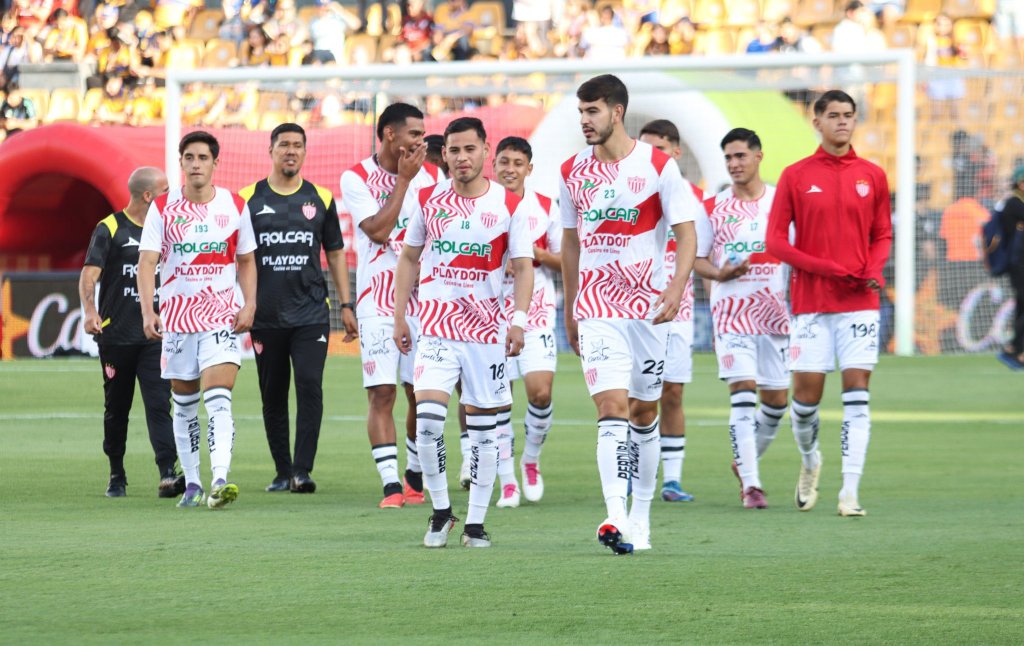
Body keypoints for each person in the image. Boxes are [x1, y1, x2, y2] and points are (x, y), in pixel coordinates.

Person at [560, 74, 699, 554]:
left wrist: (678, 286)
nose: (585, 121)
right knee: (610, 407)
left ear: (616, 111)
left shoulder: (658, 166)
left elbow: (686, 233)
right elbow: (571, 240)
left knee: (643, 412)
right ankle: (614, 515)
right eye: (581, 112)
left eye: (592, 111)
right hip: (597, 306)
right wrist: (570, 306)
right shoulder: (570, 171)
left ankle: (641, 516)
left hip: (648, 310)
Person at [392, 116, 534, 548]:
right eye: (453, 150)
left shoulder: (509, 205)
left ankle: (475, 523)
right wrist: (400, 315)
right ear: (445, 154)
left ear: (484, 150)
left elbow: (524, 266)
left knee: (485, 431)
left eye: (469, 149)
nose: (461, 158)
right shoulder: (429, 200)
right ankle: (440, 512)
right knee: (429, 423)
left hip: (487, 334)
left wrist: (519, 320)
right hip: (435, 330)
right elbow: (409, 259)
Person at [766, 90, 892, 517]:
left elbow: (882, 233)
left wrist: (874, 267)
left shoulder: (872, 175)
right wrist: (822, 266)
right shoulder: (795, 176)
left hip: (859, 302)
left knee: (857, 393)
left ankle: (849, 492)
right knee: (804, 404)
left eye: (848, 115)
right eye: (834, 115)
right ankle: (810, 460)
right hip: (812, 303)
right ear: (816, 121)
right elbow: (775, 241)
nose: (842, 122)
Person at [137, 131, 258, 510]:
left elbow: (247, 259)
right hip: (177, 320)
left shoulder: (235, 205)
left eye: (203, 157)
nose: (195, 164)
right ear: (181, 162)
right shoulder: (162, 208)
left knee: (219, 399)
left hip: (221, 316)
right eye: (189, 157)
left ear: (215, 163)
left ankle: (220, 478)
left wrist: (249, 303)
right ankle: (191, 483)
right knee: (185, 404)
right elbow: (147, 262)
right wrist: (147, 310)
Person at [241, 123, 358, 494]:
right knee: (272, 393)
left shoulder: (321, 198)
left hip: (311, 314)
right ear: (271, 150)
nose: (291, 151)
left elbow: (335, 253)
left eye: (297, 145)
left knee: (310, 386)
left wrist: (346, 303)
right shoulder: (247, 198)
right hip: (266, 315)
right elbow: (238, 258)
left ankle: (302, 470)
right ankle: (281, 470)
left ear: (305, 152)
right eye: (284, 145)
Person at [340, 102, 443, 508]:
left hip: (424, 301)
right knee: (382, 392)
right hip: (377, 300)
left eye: (423, 133)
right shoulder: (357, 177)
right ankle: (390, 485)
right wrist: (403, 181)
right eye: (415, 133)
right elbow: (379, 232)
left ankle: (415, 475)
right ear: (389, 135)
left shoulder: (434, 177)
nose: (422, 140)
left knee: (419, 392)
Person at [693, 128, 789, 509]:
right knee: (743, 393)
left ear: (758, 157)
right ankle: (751, 485)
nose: (734, 164)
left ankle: (744, 461)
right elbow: (698, 259)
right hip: (732, 313)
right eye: (728, 158)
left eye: (740, 157)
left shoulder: (783, 203)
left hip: (776, 315)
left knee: (777, 403)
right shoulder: (713, 208)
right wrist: (719, 275)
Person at [80, 166, 183, 499]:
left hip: (153, 336)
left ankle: (168, 473)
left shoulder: (169, 229)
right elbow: (88, 275)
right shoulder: (110, 228)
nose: (172, 195)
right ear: (148, 196)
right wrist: (91, 311)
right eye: (166, 190)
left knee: (158, 403)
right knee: (117, 408)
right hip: (116, 337)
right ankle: (116, 473)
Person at [489, 136, 561, 507]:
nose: (510, 169)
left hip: (536, 313)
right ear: (494, 164)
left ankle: (530, 460)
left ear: (529, 168)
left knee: (540, 392)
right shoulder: (480, 206)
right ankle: (507, 482)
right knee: (500, 399)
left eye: (518, 163)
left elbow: (568, 262)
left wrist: (532, 254)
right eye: (504, 162)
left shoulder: (546, 207)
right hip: (489, 314)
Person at [638, 118, 703, 503]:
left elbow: (700, 251)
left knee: (673, 393)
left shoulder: (694, 198)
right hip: (632, 309)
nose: (652, 156)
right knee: (635, 395)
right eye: (646, 148)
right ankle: (631, 472)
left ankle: (672, 480)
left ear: (675, 153)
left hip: (677, 310)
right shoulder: (629, 192)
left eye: (659, 148)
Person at [997, 165, 1024, 369]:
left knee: (1022, 307)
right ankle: (1018, 351)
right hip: (1019, 265)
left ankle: (1014, 348)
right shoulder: (1014, 204)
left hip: (1019, 264)